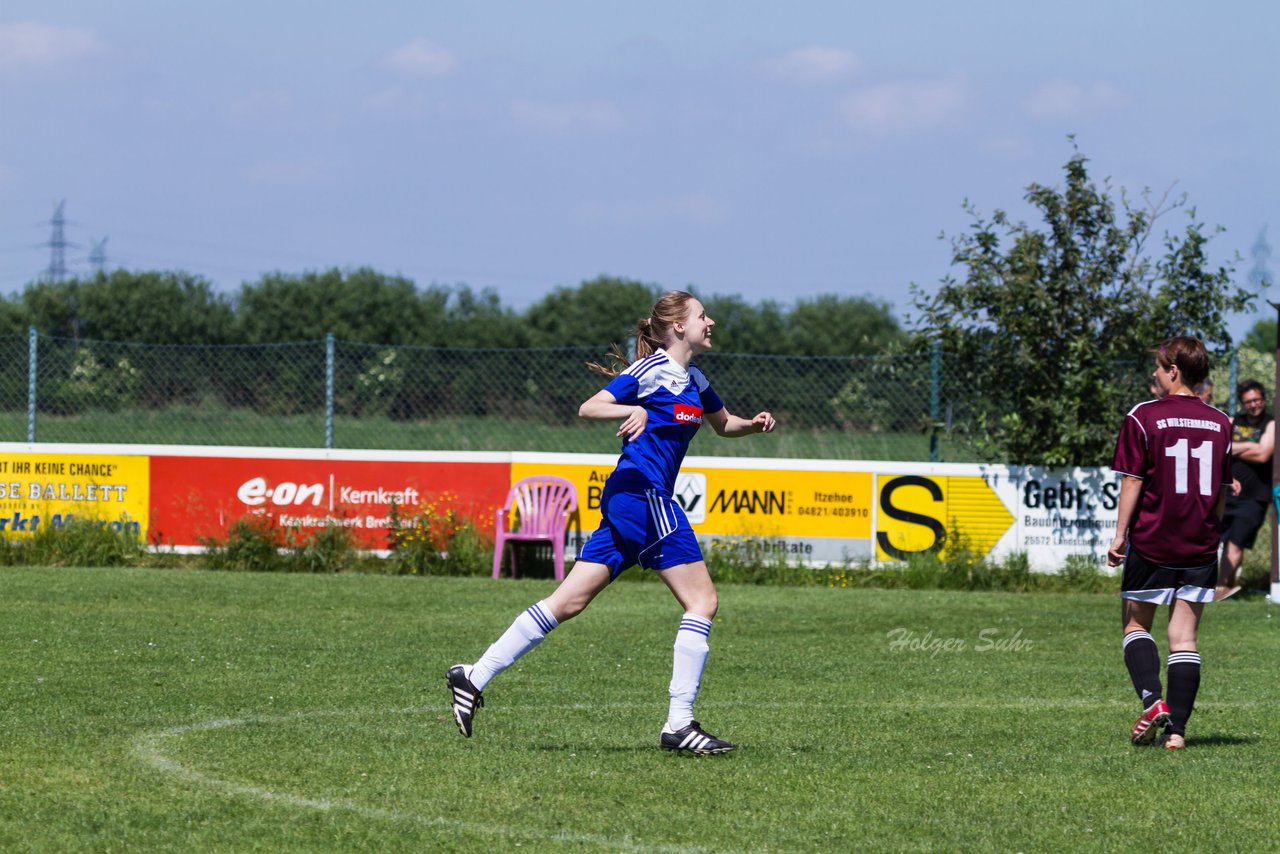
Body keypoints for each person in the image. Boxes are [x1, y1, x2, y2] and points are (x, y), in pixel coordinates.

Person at [446, 291, 776, 754]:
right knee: (702, 601)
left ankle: (473, 676)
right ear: (679, 326)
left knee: (568, 602)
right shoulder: (649, 370)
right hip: (641, 496)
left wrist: (754, 424)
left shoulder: (696, 380)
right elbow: (590, 407)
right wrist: (634, 409)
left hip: (631, 502)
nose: (711, 321)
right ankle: (679, 725)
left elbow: (724, 424)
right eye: (703, 315)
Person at [1108, 336, 1232, 750]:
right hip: (1199, 544)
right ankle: (1177, 733)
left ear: (1174, 371)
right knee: (1185, 638)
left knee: (1135, 623)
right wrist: (1211, 533)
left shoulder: (1143, 417)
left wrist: (1120, 535)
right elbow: (1219, 490)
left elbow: (1132, 480)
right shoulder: (1221, 422)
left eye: (1159, 368)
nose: (1154, 374)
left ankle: (1152, 701)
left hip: (1154, 540)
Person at [1217, 379, 1274, 600]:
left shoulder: (1270, 424)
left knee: (1235, 542)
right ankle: (1219, 588)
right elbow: (1219, 448)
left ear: (1264, 399)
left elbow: (1263, 454)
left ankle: (1221, 591)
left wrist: (1232, 448)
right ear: (1242, 402)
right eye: (1249, 401)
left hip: (1254, 497)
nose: (1254, 405)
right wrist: (1249, 445)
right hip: (1226, 492)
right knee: (1217, 541)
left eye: (1257, 400)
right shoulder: (1232, 421)